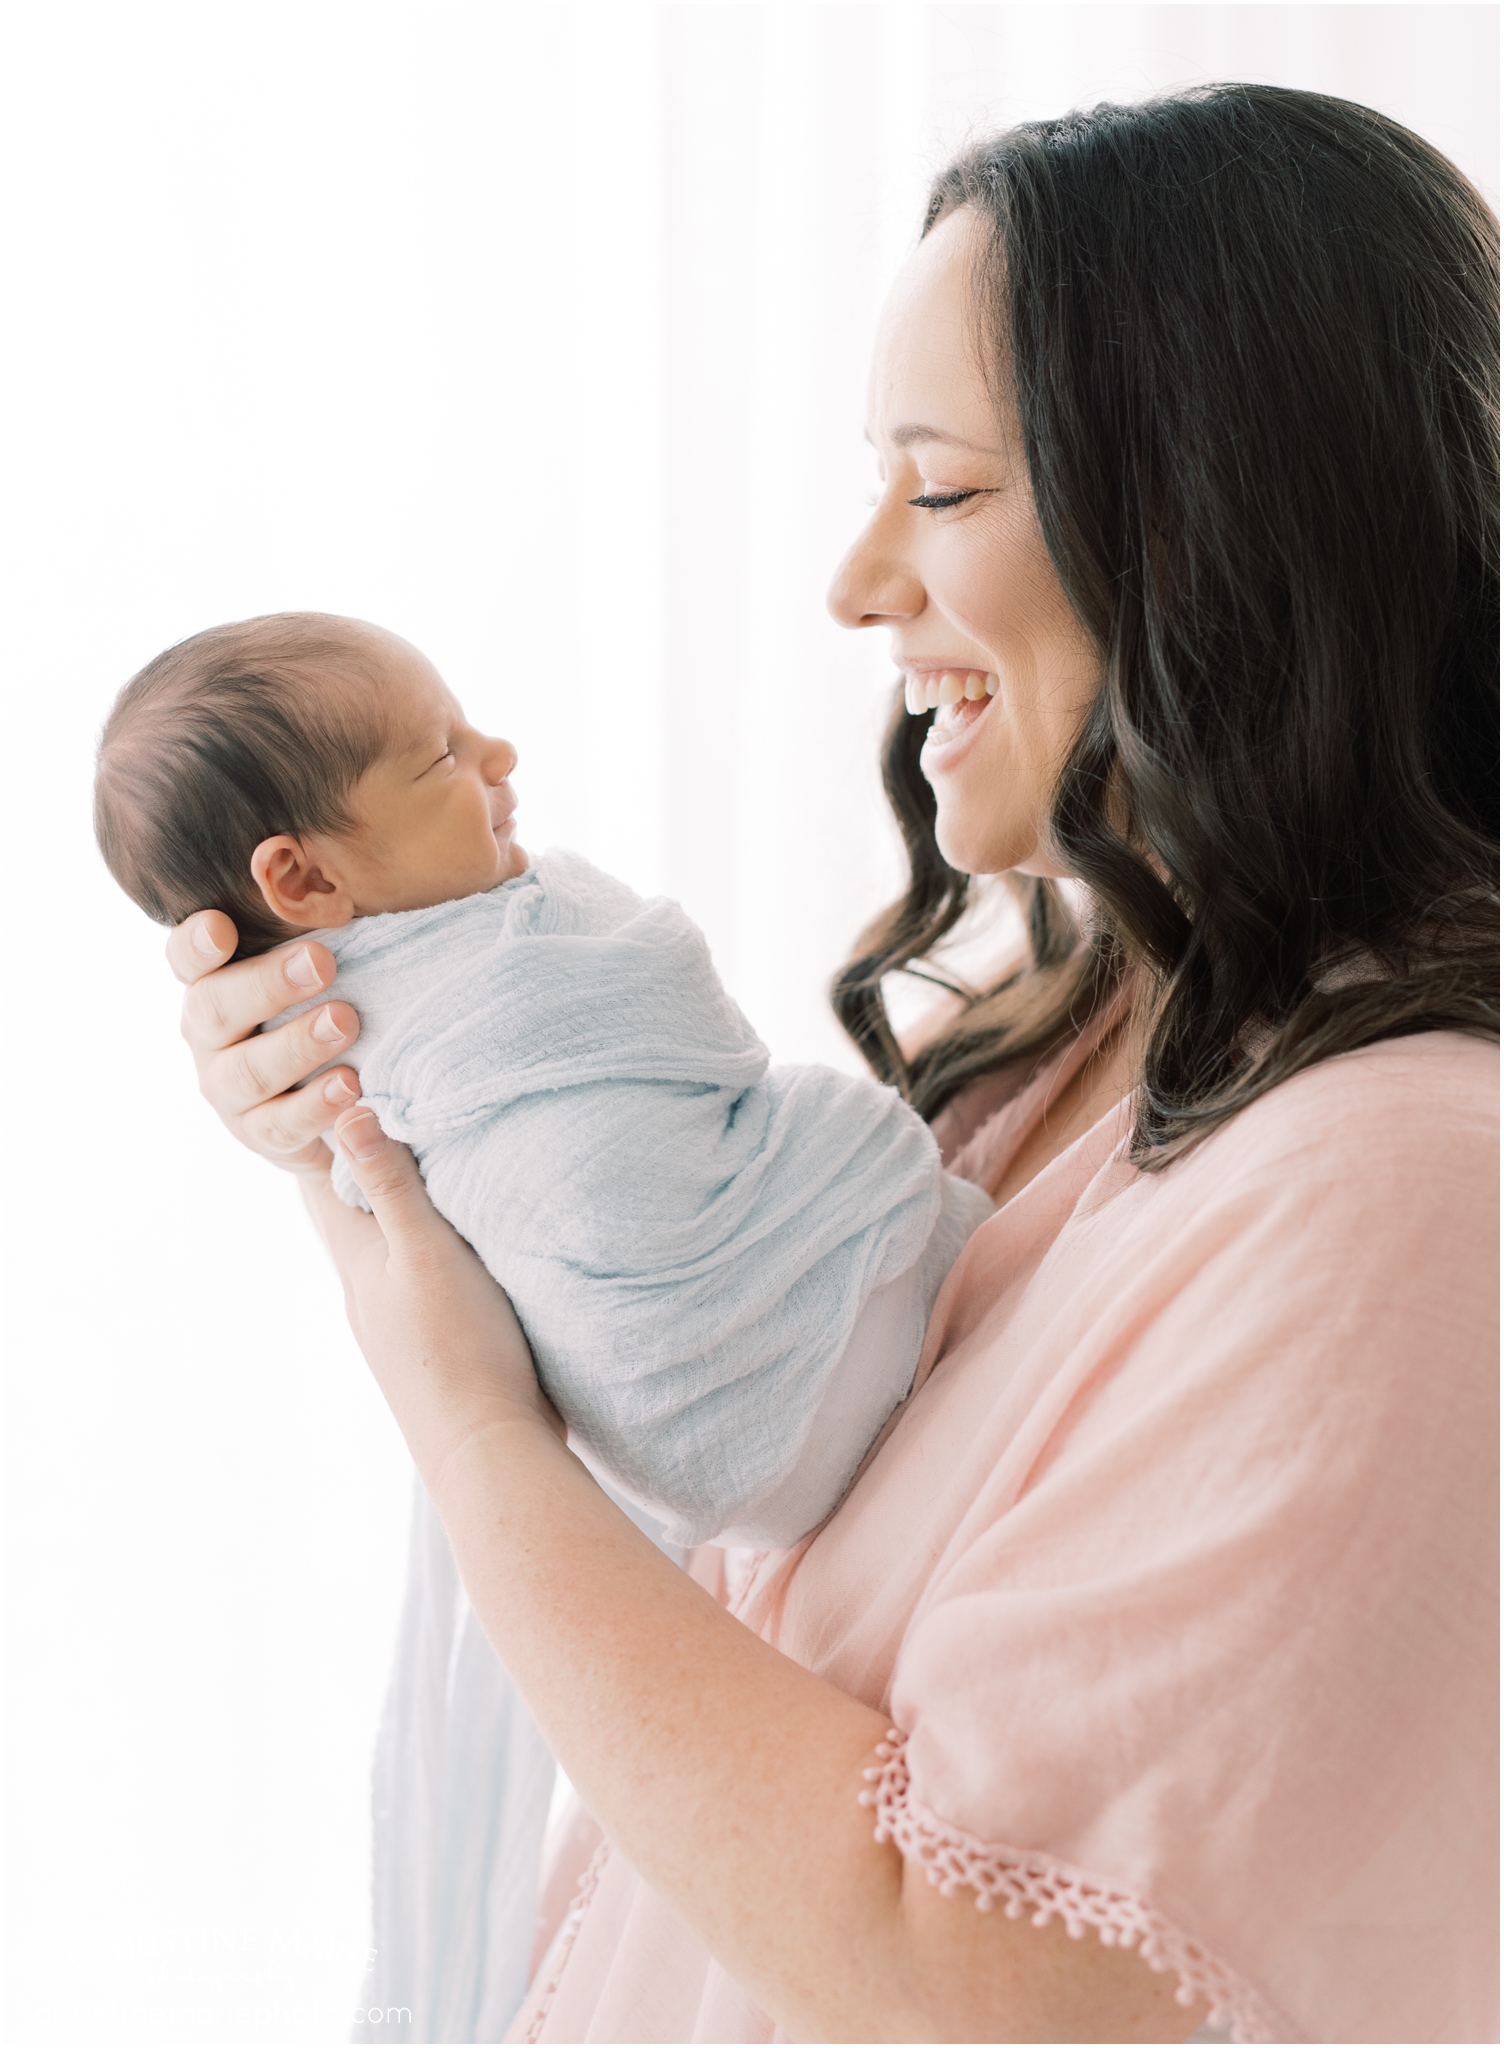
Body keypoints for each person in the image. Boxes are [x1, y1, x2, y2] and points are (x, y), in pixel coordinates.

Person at [164, 85, 1497, 2044]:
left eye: (940, 490)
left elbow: (963, 1970)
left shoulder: (1404, 1181)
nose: (854, 583)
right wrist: (387, 1103)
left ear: (1215, 521)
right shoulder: (1040, 1067)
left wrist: (460, 1413)